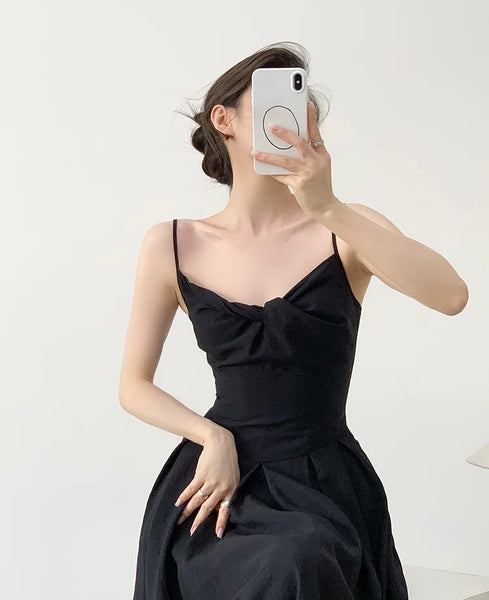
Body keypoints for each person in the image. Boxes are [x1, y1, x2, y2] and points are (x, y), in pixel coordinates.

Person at [119, 42, 469, 599]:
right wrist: (210, 435)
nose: (294, 118)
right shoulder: (173, 243)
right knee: (280, 560)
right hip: (220, 484)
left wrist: (327, 206)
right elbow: (132, 385)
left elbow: (451, 296)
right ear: (223, 119)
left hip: (325, 485)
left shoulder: (344, 229)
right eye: (274, 101)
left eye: (305, 108)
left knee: (301, 555)